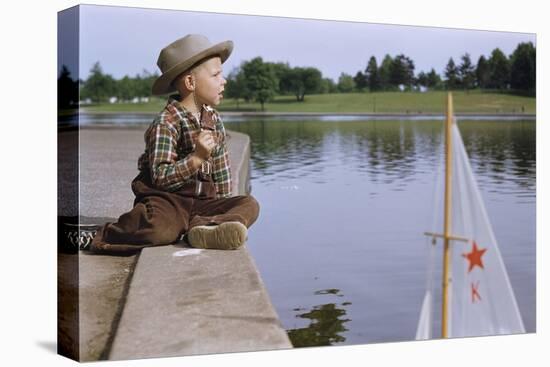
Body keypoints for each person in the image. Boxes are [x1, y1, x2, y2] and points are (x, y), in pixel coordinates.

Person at [89, 34, 260, 254]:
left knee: (249, 204)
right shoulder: (166, 122)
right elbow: (160, 177)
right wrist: (196, 158)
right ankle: (105, 234)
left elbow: (222, 169)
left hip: (202, 204)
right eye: (216, 74)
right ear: (190, 82)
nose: (223, 80)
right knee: (160, 231)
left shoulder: (213, 119)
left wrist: (224, 208)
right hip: (169, 201)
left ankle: (205, 228)